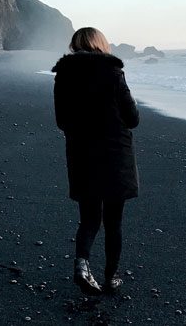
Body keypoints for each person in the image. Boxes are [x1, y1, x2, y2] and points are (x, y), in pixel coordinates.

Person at [52, 27, 140, 295]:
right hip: (115, 154)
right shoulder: (114, 73)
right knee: (114, 221)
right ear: (100, 44)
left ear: (76, 44)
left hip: (81, 154)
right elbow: (132, 118)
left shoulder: (63, 76)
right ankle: (110, 277)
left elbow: (62, 121)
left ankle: (82, 264)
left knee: (89, 218)